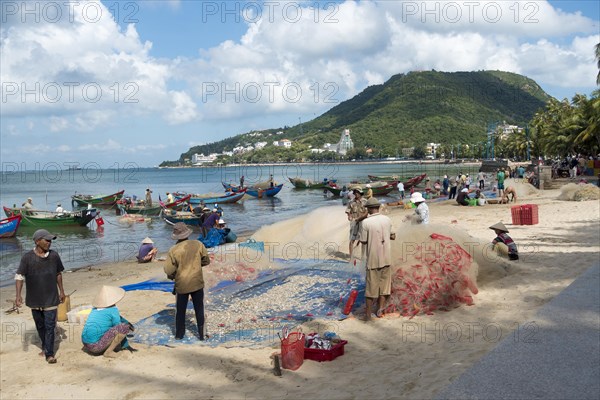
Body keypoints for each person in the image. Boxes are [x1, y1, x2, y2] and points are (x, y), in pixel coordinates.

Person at [14, 229, 66, 364]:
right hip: (34, 298)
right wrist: (18, 295)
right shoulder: (27, 258)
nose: (49, 243)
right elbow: (19, 276)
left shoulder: (54, 256)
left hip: (51, 297)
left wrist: (61, 291)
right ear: (37, 241)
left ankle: (49, 354)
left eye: (50, 240)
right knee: (40, 326)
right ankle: (45, 345)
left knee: (50, 326)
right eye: (46, 240)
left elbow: (58, 273)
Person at [164, 222, 210, 340]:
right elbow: (206, 261)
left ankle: (179, 335)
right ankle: (202, 334)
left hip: (181, 285)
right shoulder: (198, 244)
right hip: (197, 282)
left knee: (180, 310)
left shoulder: (173, 250)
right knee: (199, 308)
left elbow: (168, 270)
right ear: (187, 233)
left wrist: (175, 274)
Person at [358, 197, 395, 321]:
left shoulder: (366, 223)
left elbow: (363, 241)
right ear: (378, 207)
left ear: (368, 209)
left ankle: (368, 316)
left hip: (373, 260)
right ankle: (380, 311)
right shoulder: (387, 219)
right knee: (384, 287)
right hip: (387, 258)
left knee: (370, 289)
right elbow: (393, 235)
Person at [81, 286, 136, 358]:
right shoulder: (113, 310)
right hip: (95, 347)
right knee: (124, 328)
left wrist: (126, 321)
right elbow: (120, 327)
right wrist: (125, 345)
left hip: (85, 343)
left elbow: (116, 317)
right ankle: (108, 352)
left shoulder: (94, 309)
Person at [345, 187, 368, 257]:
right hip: (354, 222)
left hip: (363, 222)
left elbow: (366, 212)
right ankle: (351, 256)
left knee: (363, 240)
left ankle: (363, 257)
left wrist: (360, 218)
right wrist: (349, 216)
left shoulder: (365, 201)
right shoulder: (351, 202)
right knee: (352, 239)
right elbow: (348, 211)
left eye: (357, 192)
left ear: (360, 193)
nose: (356, 194)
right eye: (355, 192)